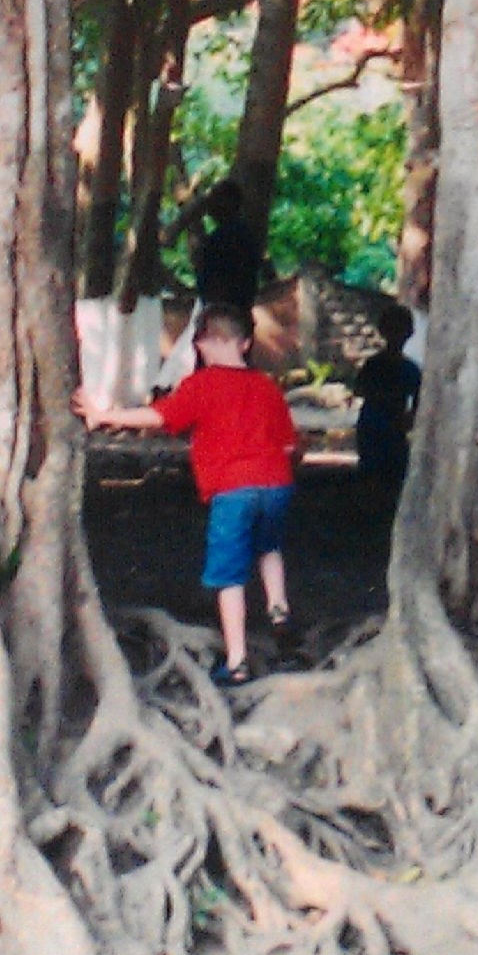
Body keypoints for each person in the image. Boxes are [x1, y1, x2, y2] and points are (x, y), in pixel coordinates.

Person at [77, 301, 296, 686]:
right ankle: (278, 609)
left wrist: (106, 415)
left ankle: (237, 660)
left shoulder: (202, 385)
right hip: (276, 484)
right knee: (269, 547)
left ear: (201, 344)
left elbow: (160, 416)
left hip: (232, 489)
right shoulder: (267, 386)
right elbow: (290, 445)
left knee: (229, 576)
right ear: (246, 343)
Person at [352, 301, 422, 488]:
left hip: (372, 426)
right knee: (392, 480)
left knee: (371, 479)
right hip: (391, 429)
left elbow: (359, 390)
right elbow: (418, 405)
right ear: (410, 333)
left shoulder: (373, 364)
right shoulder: (410, 369)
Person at [185, 179, 263, 312]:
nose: (211, 207)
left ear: (229, 203)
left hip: (224, 309)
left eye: (216, 200)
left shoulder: (228, 236)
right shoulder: (243, 233)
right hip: (234, 308)